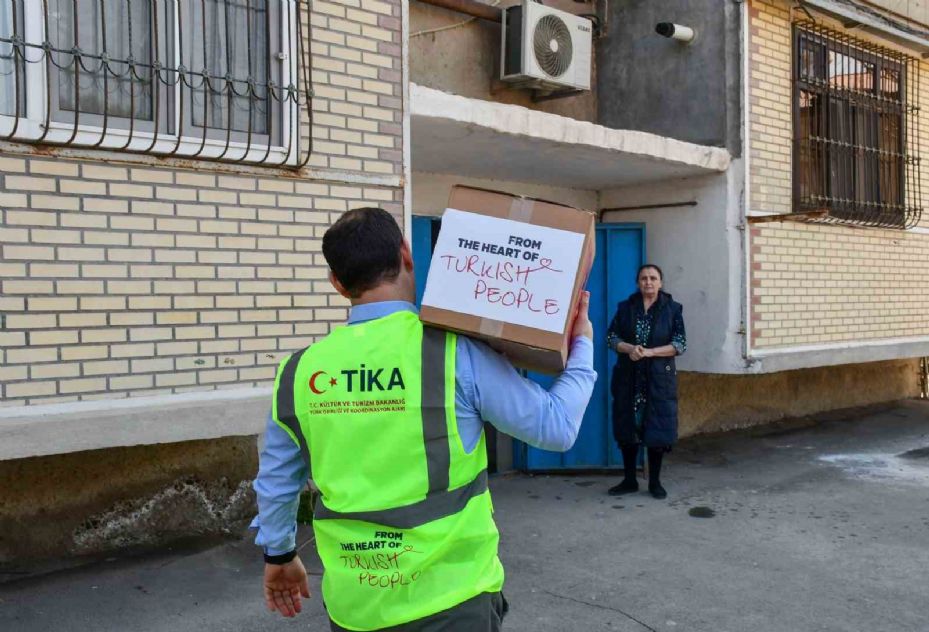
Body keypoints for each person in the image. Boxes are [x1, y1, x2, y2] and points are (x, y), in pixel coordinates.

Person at [251, 207, 596, 631]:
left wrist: (280, 556)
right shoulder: (453, 353)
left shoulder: (297, 373)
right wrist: (581, 347)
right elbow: (557, 426)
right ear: (407, 255)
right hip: (453, 599)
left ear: (337, 284)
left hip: (358, 607)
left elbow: (276, 482)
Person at [606, 264, 686, 500]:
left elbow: (680, 344)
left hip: (658, 380)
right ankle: (629, 479)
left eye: (653, 278)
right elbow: (611, 338)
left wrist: (650, 353)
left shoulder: (672, 310)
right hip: (629, 378)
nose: (648, 282)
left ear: (661, 282)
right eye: (643, 278)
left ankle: (655, 482)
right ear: (638, 282)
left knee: (657, 431)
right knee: (627, 429)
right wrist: (629, 348)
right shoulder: (625, 308)